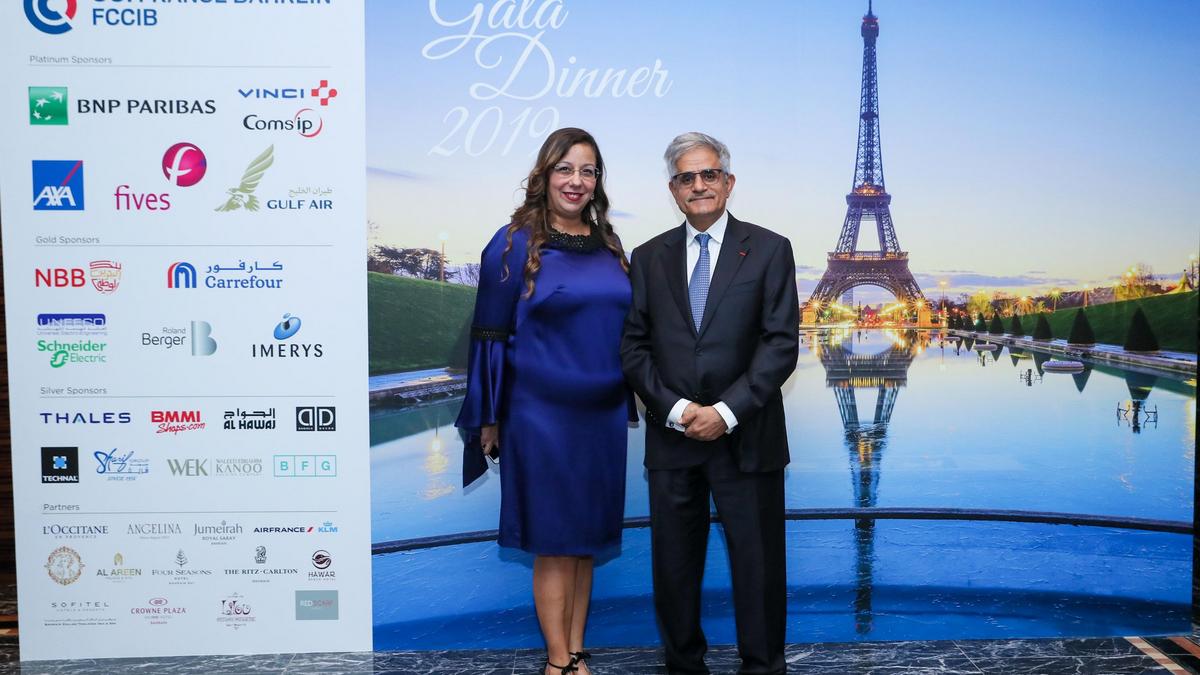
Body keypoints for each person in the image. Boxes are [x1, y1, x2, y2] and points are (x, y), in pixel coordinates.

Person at [621, 132, 799, 675]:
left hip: (748, 437)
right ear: (673, 189)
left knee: (758, 567)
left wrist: (725, 412)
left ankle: (763, 668)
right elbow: (634, 346)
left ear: (728, 181)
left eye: (708, 174)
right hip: (673, 440)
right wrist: (676, 411)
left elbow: (780, 343)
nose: (698, 185)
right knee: (674, 569)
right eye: (686, 177)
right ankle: (683, 667)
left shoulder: (770, 248)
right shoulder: (647, 257)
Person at [456, 127, 631, 675]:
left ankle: (576, 652)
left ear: (598, 180)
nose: (577, 181)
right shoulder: (512, 243)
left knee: (584, 542)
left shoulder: (609, 245)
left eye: (588, 171)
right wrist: (489, 415)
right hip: (540, 416)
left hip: (601, 415)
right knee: (555, 541)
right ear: (544, 175)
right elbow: (488, 335)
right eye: (565, 169)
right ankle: (558, 664)